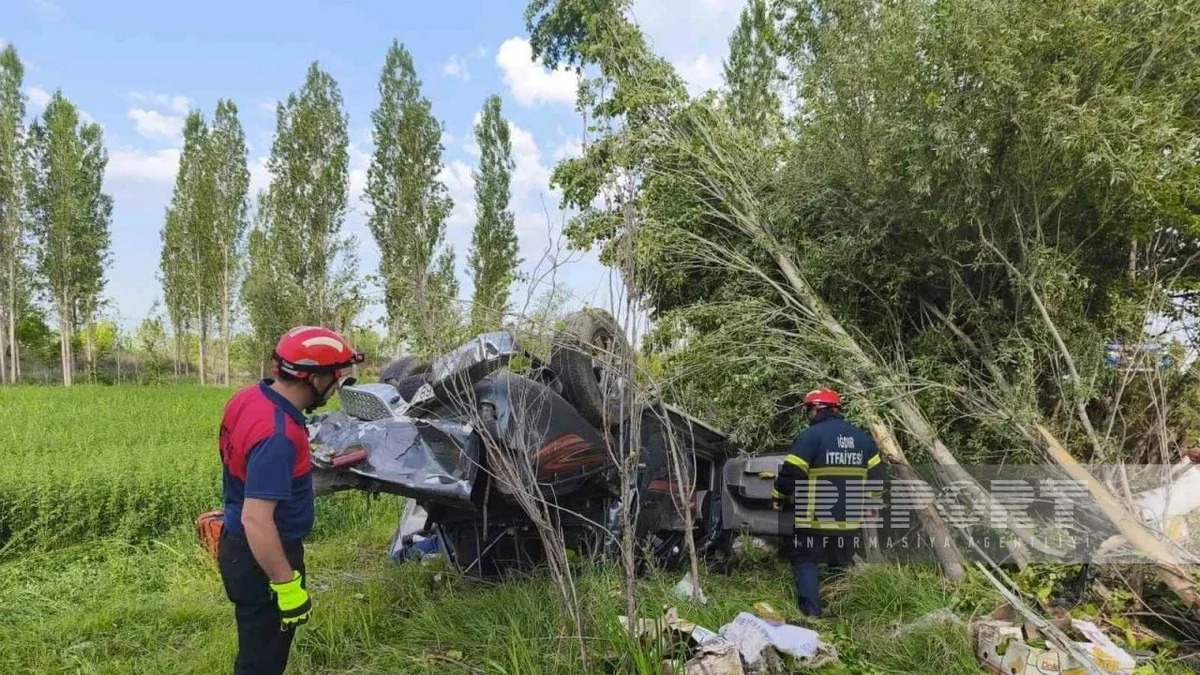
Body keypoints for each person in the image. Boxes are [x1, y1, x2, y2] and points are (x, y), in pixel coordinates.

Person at [217, 325, 363, 675]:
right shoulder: (278, 436)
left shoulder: (249, 398)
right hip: (264, 556)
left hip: (239, 545)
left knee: (256, 646)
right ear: (314, 378)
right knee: (262, 661)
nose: (336, 385)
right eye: (336, 375)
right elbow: (257, 519)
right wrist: (286, 584)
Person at [770, 387, 884, 618]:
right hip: (849, 521)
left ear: (817, 409)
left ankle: (812, 615)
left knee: (805, 560)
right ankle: (842, 612)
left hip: (814, 519)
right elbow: (878, 478)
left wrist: (779, 497)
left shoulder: (811, 436)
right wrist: (871, 503)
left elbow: (791, 472)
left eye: (808, 410)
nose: (808, 415)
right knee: (841, 563)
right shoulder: (863, 439)